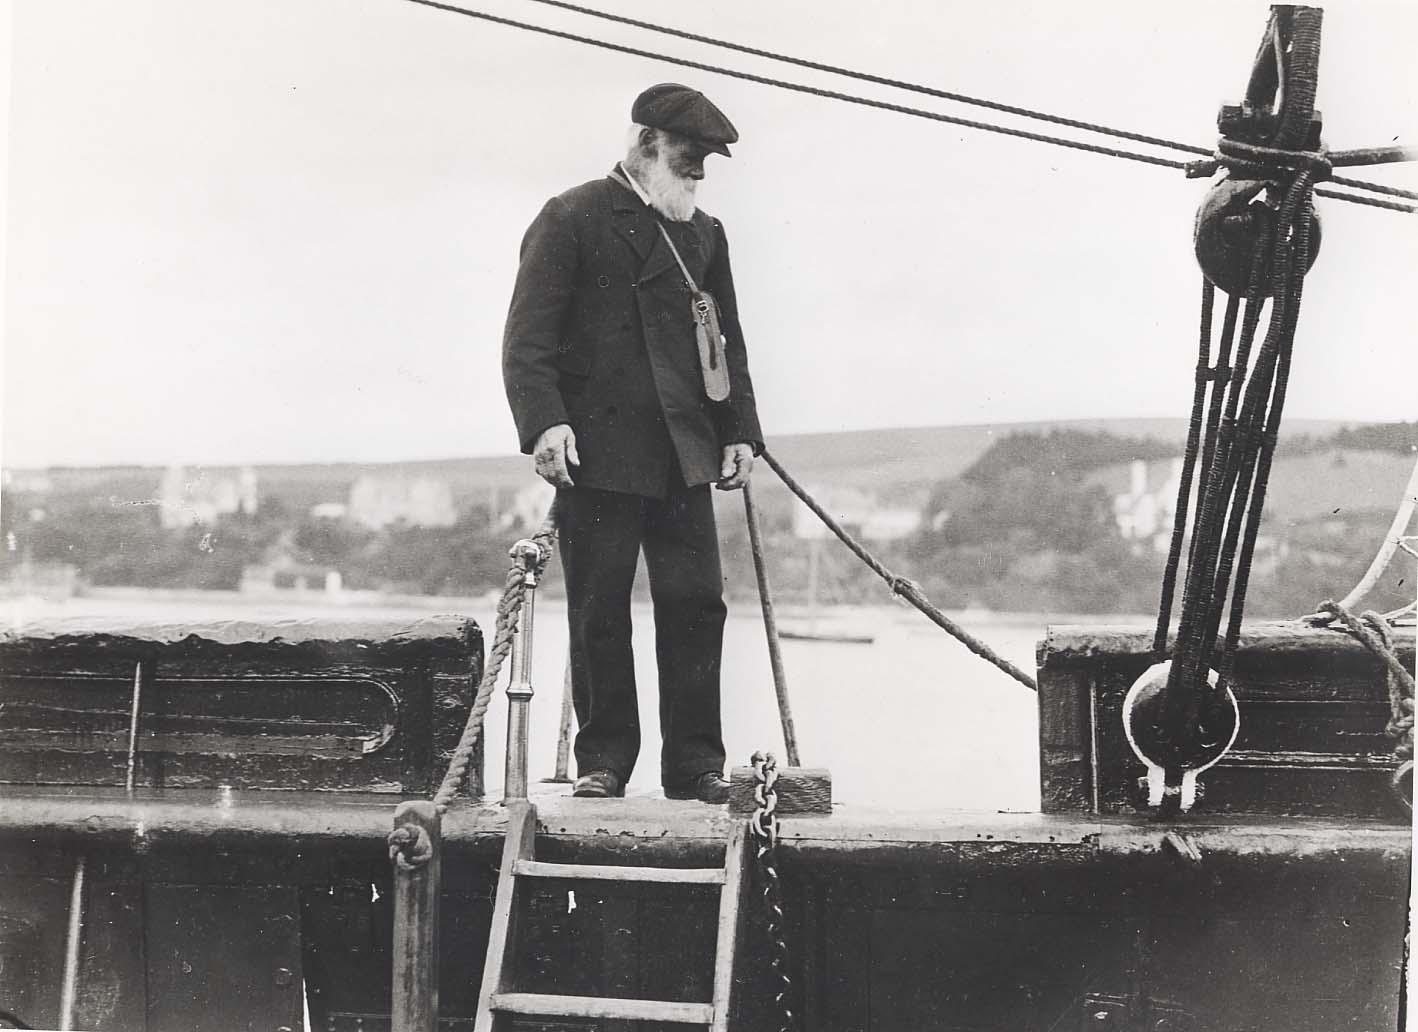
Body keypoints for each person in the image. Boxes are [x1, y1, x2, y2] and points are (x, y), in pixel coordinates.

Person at [502, 84, 763, 804]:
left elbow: (728, 344)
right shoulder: (571, 217)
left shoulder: (705, 235)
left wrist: (740, 432)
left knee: (696, 604)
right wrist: (545, 423)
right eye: (692, 153)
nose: (702, 170)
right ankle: (605, 761)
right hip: (599, 454)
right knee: (599, 608)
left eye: (709, 157)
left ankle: (694, 765)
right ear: (647, 142)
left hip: (686, 452)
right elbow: (527, 342)